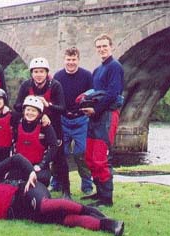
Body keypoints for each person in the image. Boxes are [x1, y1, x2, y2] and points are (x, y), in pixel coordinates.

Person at [0, 154, 124, 236]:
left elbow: (16, 158)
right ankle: (108, 225)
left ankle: (90, 210)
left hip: (28, 190)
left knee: (44, 206)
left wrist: (30, 173)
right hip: (23, 211)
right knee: (64, 220)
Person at [14, 57, 71, 199]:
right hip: (33, 125)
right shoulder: (26, 85)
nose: (38, 75)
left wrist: (48, 105)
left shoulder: (55, 85)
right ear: (31, 73)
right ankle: (27, 180)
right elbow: (17, 105)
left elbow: (62, 108)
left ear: (46, 73)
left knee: (59, 157)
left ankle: (66, 191)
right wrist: (31, 107)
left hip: (53, 124)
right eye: (35, 72)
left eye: (41, 71)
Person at [80, 34, 124, 207]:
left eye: (104, 46)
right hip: (95, 116)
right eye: (98, 47)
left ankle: (107, 198)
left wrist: (95, 109)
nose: (101, 49)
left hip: (107, 116)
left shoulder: (115, 67)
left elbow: (113, 94)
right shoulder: (97, 70)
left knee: (100, 157)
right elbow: (96, 93)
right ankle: (99, 192)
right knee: (90, 157)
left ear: (111, 46)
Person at [53, 47, 94, 196]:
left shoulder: (87, 76)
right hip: (63, 119)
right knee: (59, 152)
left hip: (81, 119)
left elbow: (93, 95)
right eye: (68, 60)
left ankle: (87, 185)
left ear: (78, 60)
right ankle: (56, 182)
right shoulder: (57, 76)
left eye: (74, 59)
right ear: (64, 60)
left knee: (81, 152)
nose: (71, 63)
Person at [13, 95, 58, 187]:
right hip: (20, 166)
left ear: (39, 113)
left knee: (41, 180)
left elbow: (54, 146)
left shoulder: (45, 126)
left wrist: (42, 165)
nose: (30, 113)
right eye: (28, 110)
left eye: (34, 111)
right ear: (24, 111)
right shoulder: (17, 123)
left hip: (38, 167)